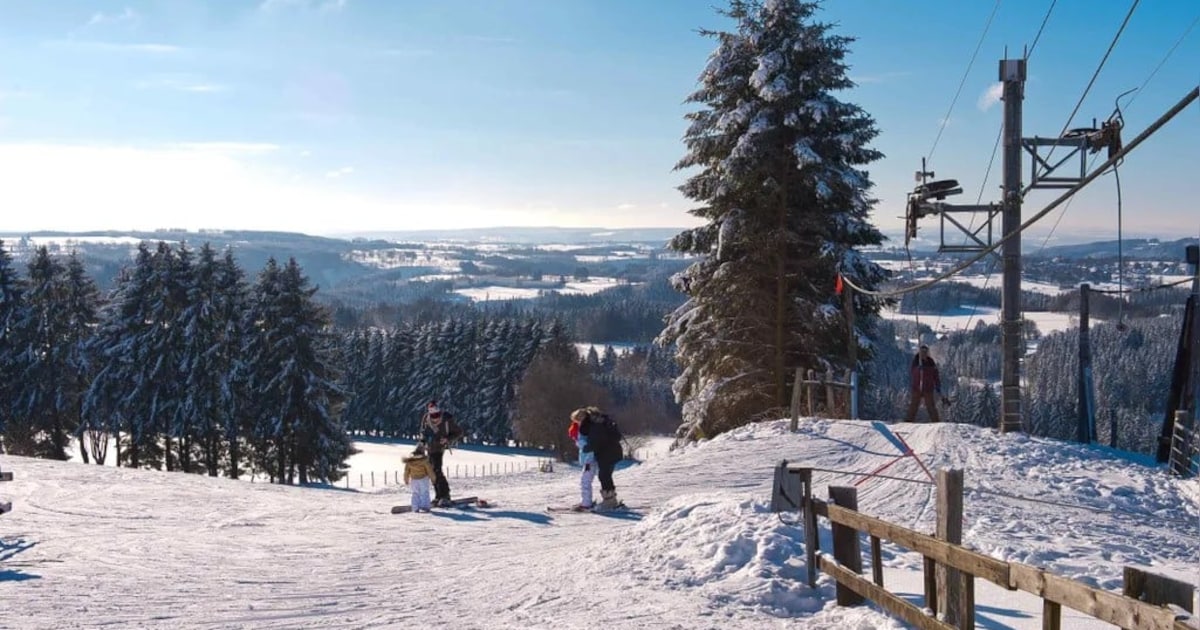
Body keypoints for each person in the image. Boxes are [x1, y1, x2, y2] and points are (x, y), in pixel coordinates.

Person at [572, 406, 623, 511]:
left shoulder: (595, 426)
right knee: (605, 475)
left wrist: (583, 446)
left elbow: (594, 443)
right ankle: (610, 500)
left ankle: (609, 501)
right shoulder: (597, 423)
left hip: (607, 453)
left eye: (578, 421)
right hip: (610, 452)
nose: (578, 424)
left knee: (604, 475)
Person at [421, 400, 463, 508]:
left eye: (436, 414)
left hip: (439, 449)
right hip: (429, 448)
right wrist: (422, 441)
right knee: (432, 472)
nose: (434, 418)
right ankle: (438, 496)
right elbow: (423, 432)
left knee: (437, 470)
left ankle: (445, 495)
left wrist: (447, 439)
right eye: (432, 414)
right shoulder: (426, 419)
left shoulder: (447, 420)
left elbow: (458, 432)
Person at [905, 344, 946, 422]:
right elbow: (913, 372)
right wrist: (918, 369)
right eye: (922, 351)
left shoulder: (930, 362)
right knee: (913, 407)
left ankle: (936, 423)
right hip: (917, 388)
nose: (924, 353)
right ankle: (908, 422)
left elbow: (935, 374)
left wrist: (937, 385)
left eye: (925, 351)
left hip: (928, 388)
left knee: (931, 407)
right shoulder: (916, 360)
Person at [402, 442, 436, 513]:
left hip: (414, 479)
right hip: (423, 478)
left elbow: (406, 471)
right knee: (424, 493)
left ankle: (415, 507)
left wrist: (406, 480)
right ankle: (425, 506)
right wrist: (433, 479)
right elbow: (429, 470)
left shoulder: (409, 461)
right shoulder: (424, 460)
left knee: (415, 493)